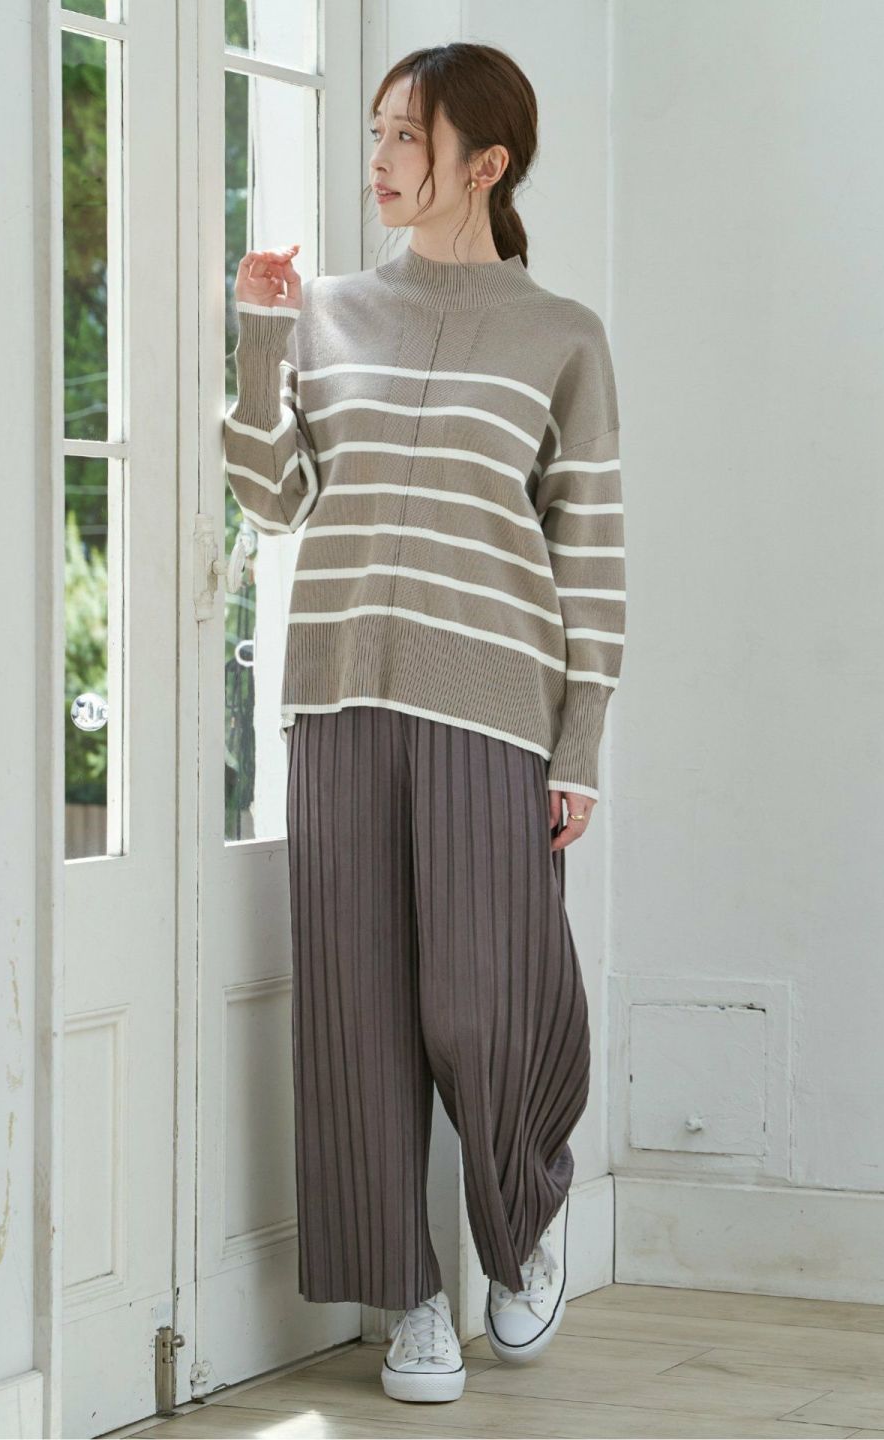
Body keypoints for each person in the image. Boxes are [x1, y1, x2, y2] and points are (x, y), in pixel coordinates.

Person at [223, 41, 625, 1405]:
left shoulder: (563, 337)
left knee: (478, 1000)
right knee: (357, 1012)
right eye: (379, 132)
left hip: (491, 711)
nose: (381, 160)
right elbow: (273, 498)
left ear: (485, 163)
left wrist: (580, 743)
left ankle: (519, 1224)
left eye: (409, 136)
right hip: (338, 700)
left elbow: (590, 555)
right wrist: (262, 333)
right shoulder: (330, 312)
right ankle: (408, 1299)